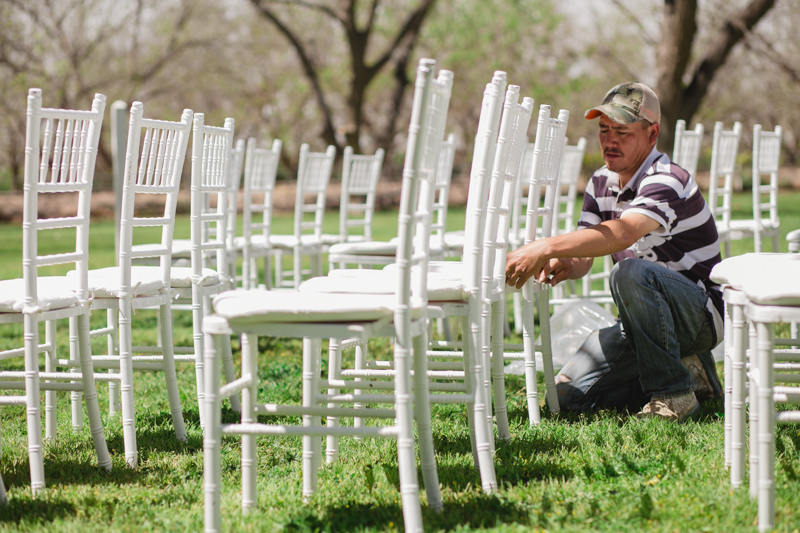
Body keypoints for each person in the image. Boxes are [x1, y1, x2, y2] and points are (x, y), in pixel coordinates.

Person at [505, 81, 722, 421]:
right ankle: (690, 371)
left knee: (629, 271)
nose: (609, 141)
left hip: (700, 314)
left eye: (622, 131)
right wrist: (563, 261)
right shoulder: (601, 182)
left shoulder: (667, 177)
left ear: (652, 134)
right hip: (643, 324)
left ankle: (675, 395)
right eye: (604, 130)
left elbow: (622, 234)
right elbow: (586, 254)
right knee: (564, 399)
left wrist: (544, 246)